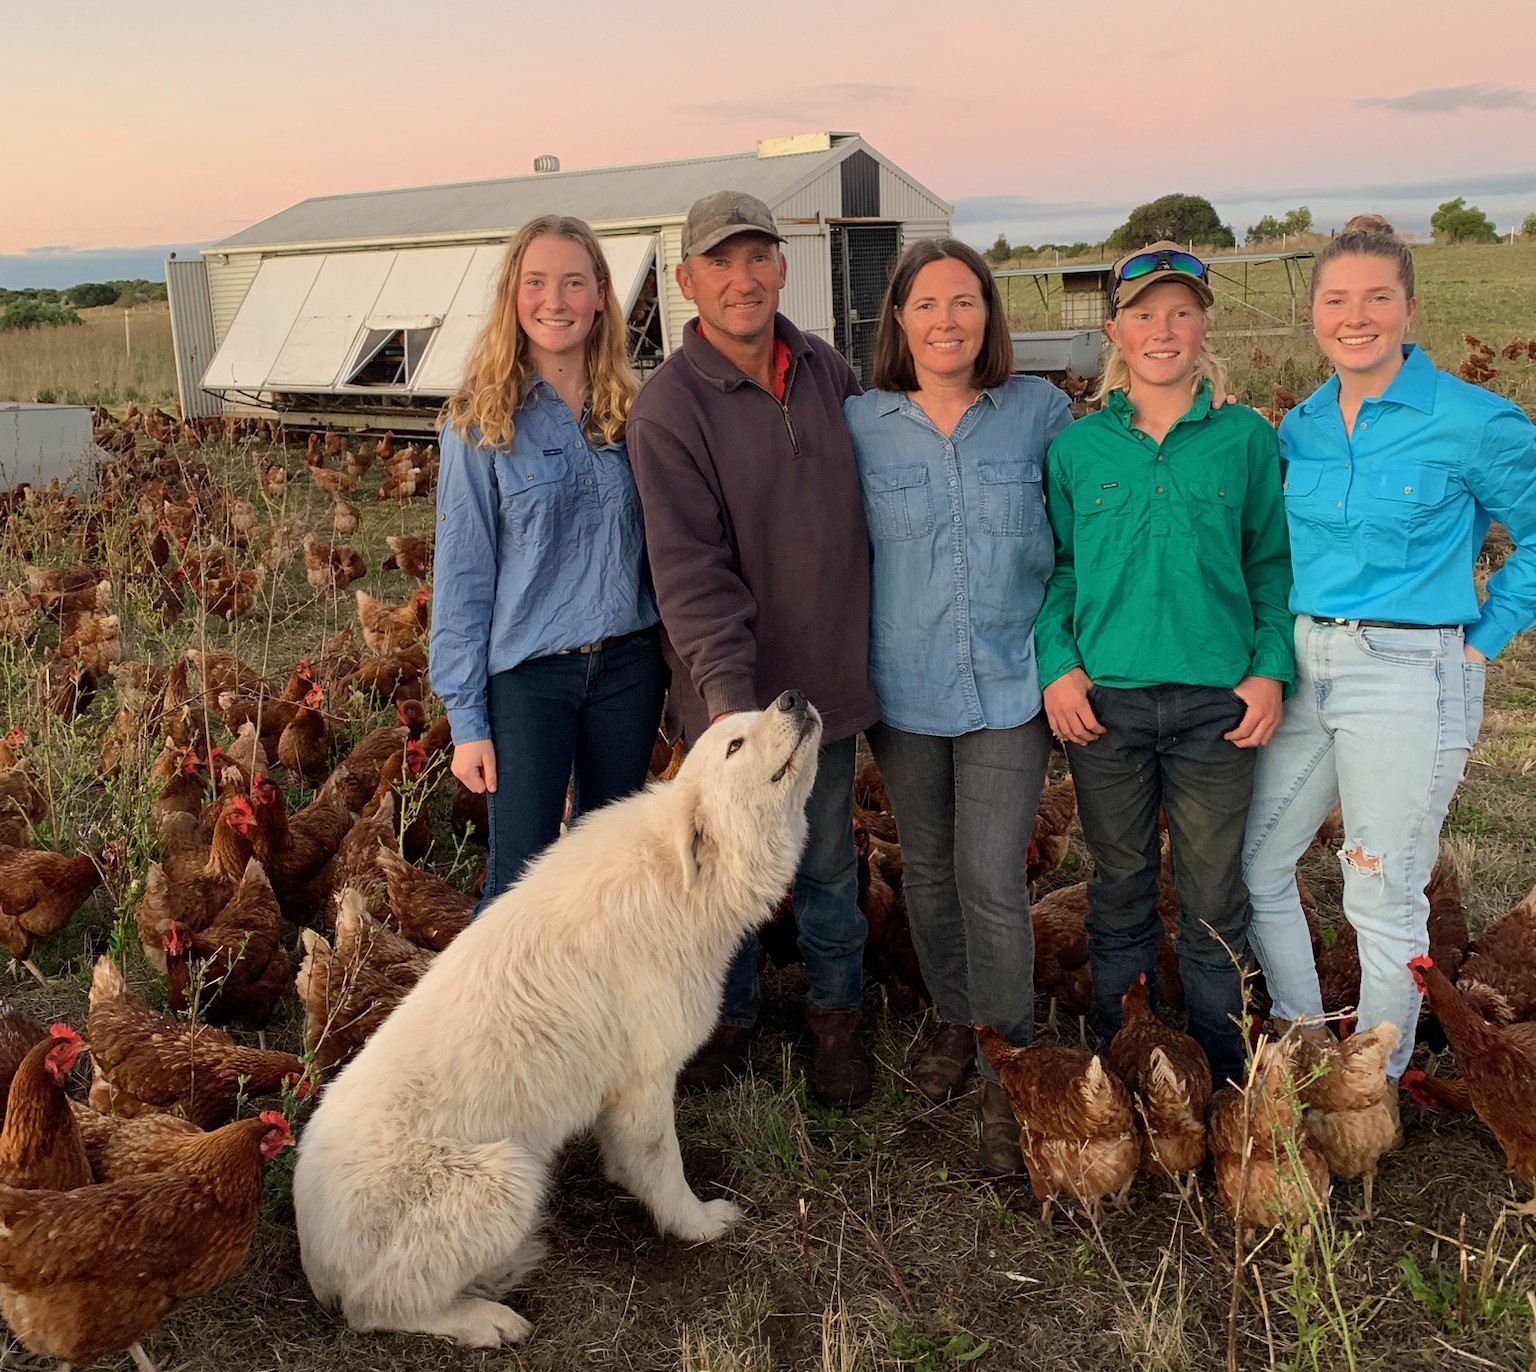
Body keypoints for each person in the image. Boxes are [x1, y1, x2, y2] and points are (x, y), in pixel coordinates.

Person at [1243, 214, 1536, 1083]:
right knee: (1259, 866)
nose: (1356, 315)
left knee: (1381, 890)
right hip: (1304, 667)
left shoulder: (1475, 421)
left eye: (1377, 296)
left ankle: (1371, 1083)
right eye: (1337, 298)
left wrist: (1483, 638)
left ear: (1410, 305)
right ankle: (1304, 1045)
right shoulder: (1298, 426)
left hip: (1410, 676)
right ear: (1314, 312)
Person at [625, 191, 878, 1109]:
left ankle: (835, 1018)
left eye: (757, 258)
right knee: (727, 874)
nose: (742, 279)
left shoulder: (827, 371)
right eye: (719, 263)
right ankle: (726, 1021)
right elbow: (688, 575)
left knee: (826, 861)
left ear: (781, 268)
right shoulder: (668, 409)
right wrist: (732, 709)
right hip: (731, 703)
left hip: (830, 680)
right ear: (687, 281)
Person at [1036, 242, 1295, 1086]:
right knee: (1119, 888)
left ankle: (1223, 1077)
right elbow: (1060, 571)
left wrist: (1268, 667)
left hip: (1215, 706)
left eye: (1181, 311)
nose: (1163, 329)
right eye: (1144, 313)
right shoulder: (1078, 452)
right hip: (1106, 706)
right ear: (1114, 327)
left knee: (1215, 895)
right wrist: (1059, 663)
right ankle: (1131, 1060)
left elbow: (1269, 564)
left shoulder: (1246, 438)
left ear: (1203, 322)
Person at [844, 238, 1069, 1173]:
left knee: (988, 874)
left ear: (990, 315)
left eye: (965, 302)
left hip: (1013, 685)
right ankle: (949, 1017)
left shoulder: (1042, 414)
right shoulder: (861, 424)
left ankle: (1005, 1056)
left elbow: (1077, 547)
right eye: (927, 305)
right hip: (903, 687)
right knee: (928, 873)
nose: (947, 321)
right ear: (898, 320)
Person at [430, 214, 666, 909]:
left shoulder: (635, 415)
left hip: (628, 669)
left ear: (600, 297)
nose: (554, 301)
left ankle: (596, 1017)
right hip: (529, 680)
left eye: (573, 282)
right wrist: (468, 718)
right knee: (520, 882)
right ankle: (496, 1020)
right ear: (513, 297)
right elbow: (463, 578)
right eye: (536, 283)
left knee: (611, 870)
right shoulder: (478, 424)